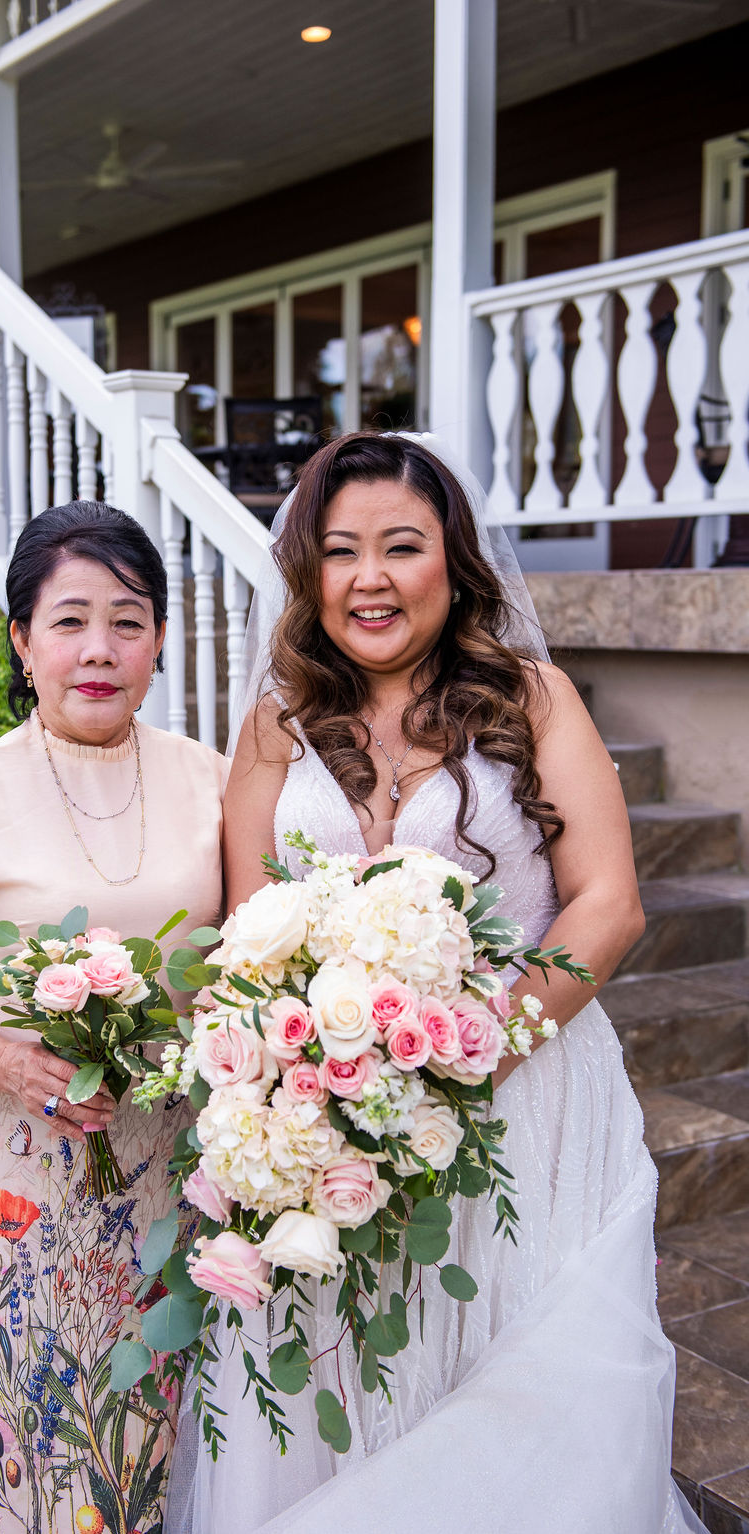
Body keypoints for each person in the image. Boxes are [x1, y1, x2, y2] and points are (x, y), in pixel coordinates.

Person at [166, 432, 705, 1534]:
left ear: (454, 563)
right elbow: (245, 935)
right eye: (340, 550)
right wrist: (287, 1090)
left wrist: (462, 1060)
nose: (369, 578)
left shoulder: (533, 698)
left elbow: (608, 903)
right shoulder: (274, 723)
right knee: (345, 1389)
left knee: (515, 1393)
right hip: (332, 1125)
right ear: (309, 571)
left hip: (523, 1103)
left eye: (401, 546)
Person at [0, 501, 228, 1534]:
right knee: (32, 1435)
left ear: (159, 639)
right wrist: (0, 1058)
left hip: (175, 1172)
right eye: (69, 621)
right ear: (22, 640)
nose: (99, 649)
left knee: (162, 1437)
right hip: (23, 1184)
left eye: (127, 620)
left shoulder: (213, 783)